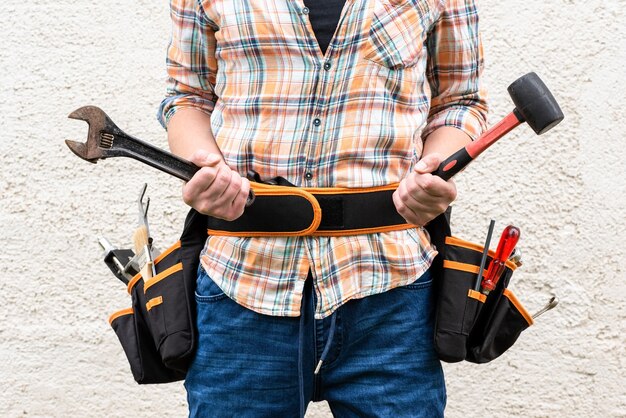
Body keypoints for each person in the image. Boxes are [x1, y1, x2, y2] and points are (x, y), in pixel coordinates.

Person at [158, 0, 487, 416]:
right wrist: (205, 165)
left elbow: (460, 102)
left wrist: (435, 170)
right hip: (241, 284)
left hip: (389, 289)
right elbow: (186, 97)